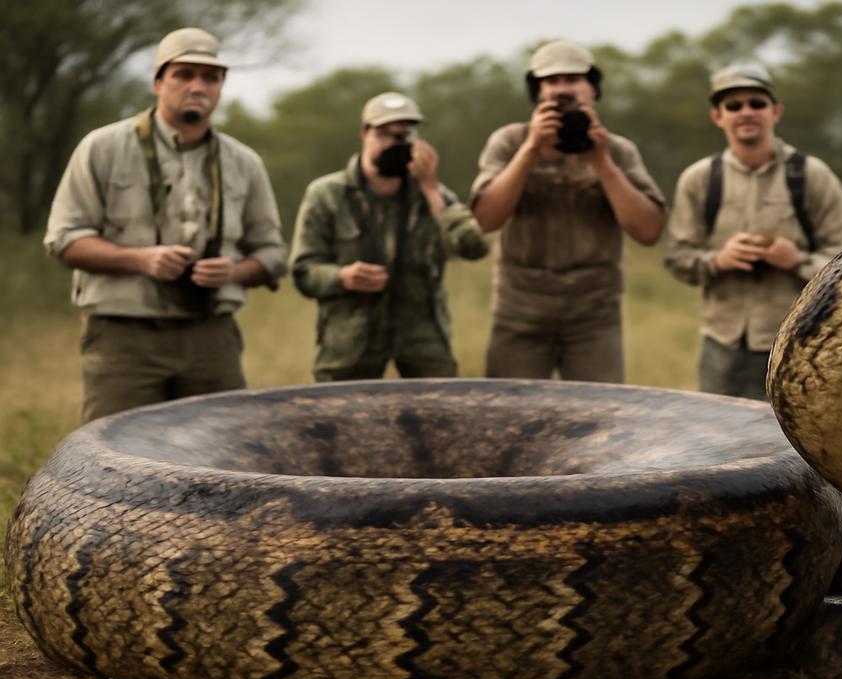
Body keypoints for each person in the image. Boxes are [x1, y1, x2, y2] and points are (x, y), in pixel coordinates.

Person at [43, 28, 287, 423]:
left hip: (212, 337)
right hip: (125, 338)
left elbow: (274, 253)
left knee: (221, 457)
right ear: (158, 81)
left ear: (221, 88)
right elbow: (63, 240)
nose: (198, 86)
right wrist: (141, 260)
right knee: (116, 462)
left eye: (211, 78)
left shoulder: (245, 162)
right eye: (184, 74)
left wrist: (235, 271)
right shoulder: (103, 147)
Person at [470, 40, 666, 383]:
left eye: (573, 79)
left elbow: (648, 231)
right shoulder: (510, 142)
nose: (563, 89)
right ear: (538, 92)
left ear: (592, 88)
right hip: (519, 312)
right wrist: (531, 148)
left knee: (601, 418)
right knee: (512, 415)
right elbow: (485, 220)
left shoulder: (616, 150)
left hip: (594, 315)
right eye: (552, 81)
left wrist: (601, 161)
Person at [664, 64, 842, 401]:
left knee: (793, 447)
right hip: (721, 345)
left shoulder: (811, 176)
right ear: (717, 117)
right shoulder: (700, 179)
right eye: (733, 106)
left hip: (798, 341)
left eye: (756, 103)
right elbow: (678, 258)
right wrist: (719, 260)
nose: (746, 112)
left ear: (775, 111)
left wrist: (795, 259)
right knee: (718, 443)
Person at [290, 93, 489, 381]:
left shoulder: (432, 193)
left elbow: (473, 248)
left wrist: (431, 190)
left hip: (423, 335)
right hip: (349, 340)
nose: (394, 143)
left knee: (437, 417)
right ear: (364, 134)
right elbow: (303, 271)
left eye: (404, 135)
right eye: (384, 134)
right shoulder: (327, 194)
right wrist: (343, 277)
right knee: (343, 420)